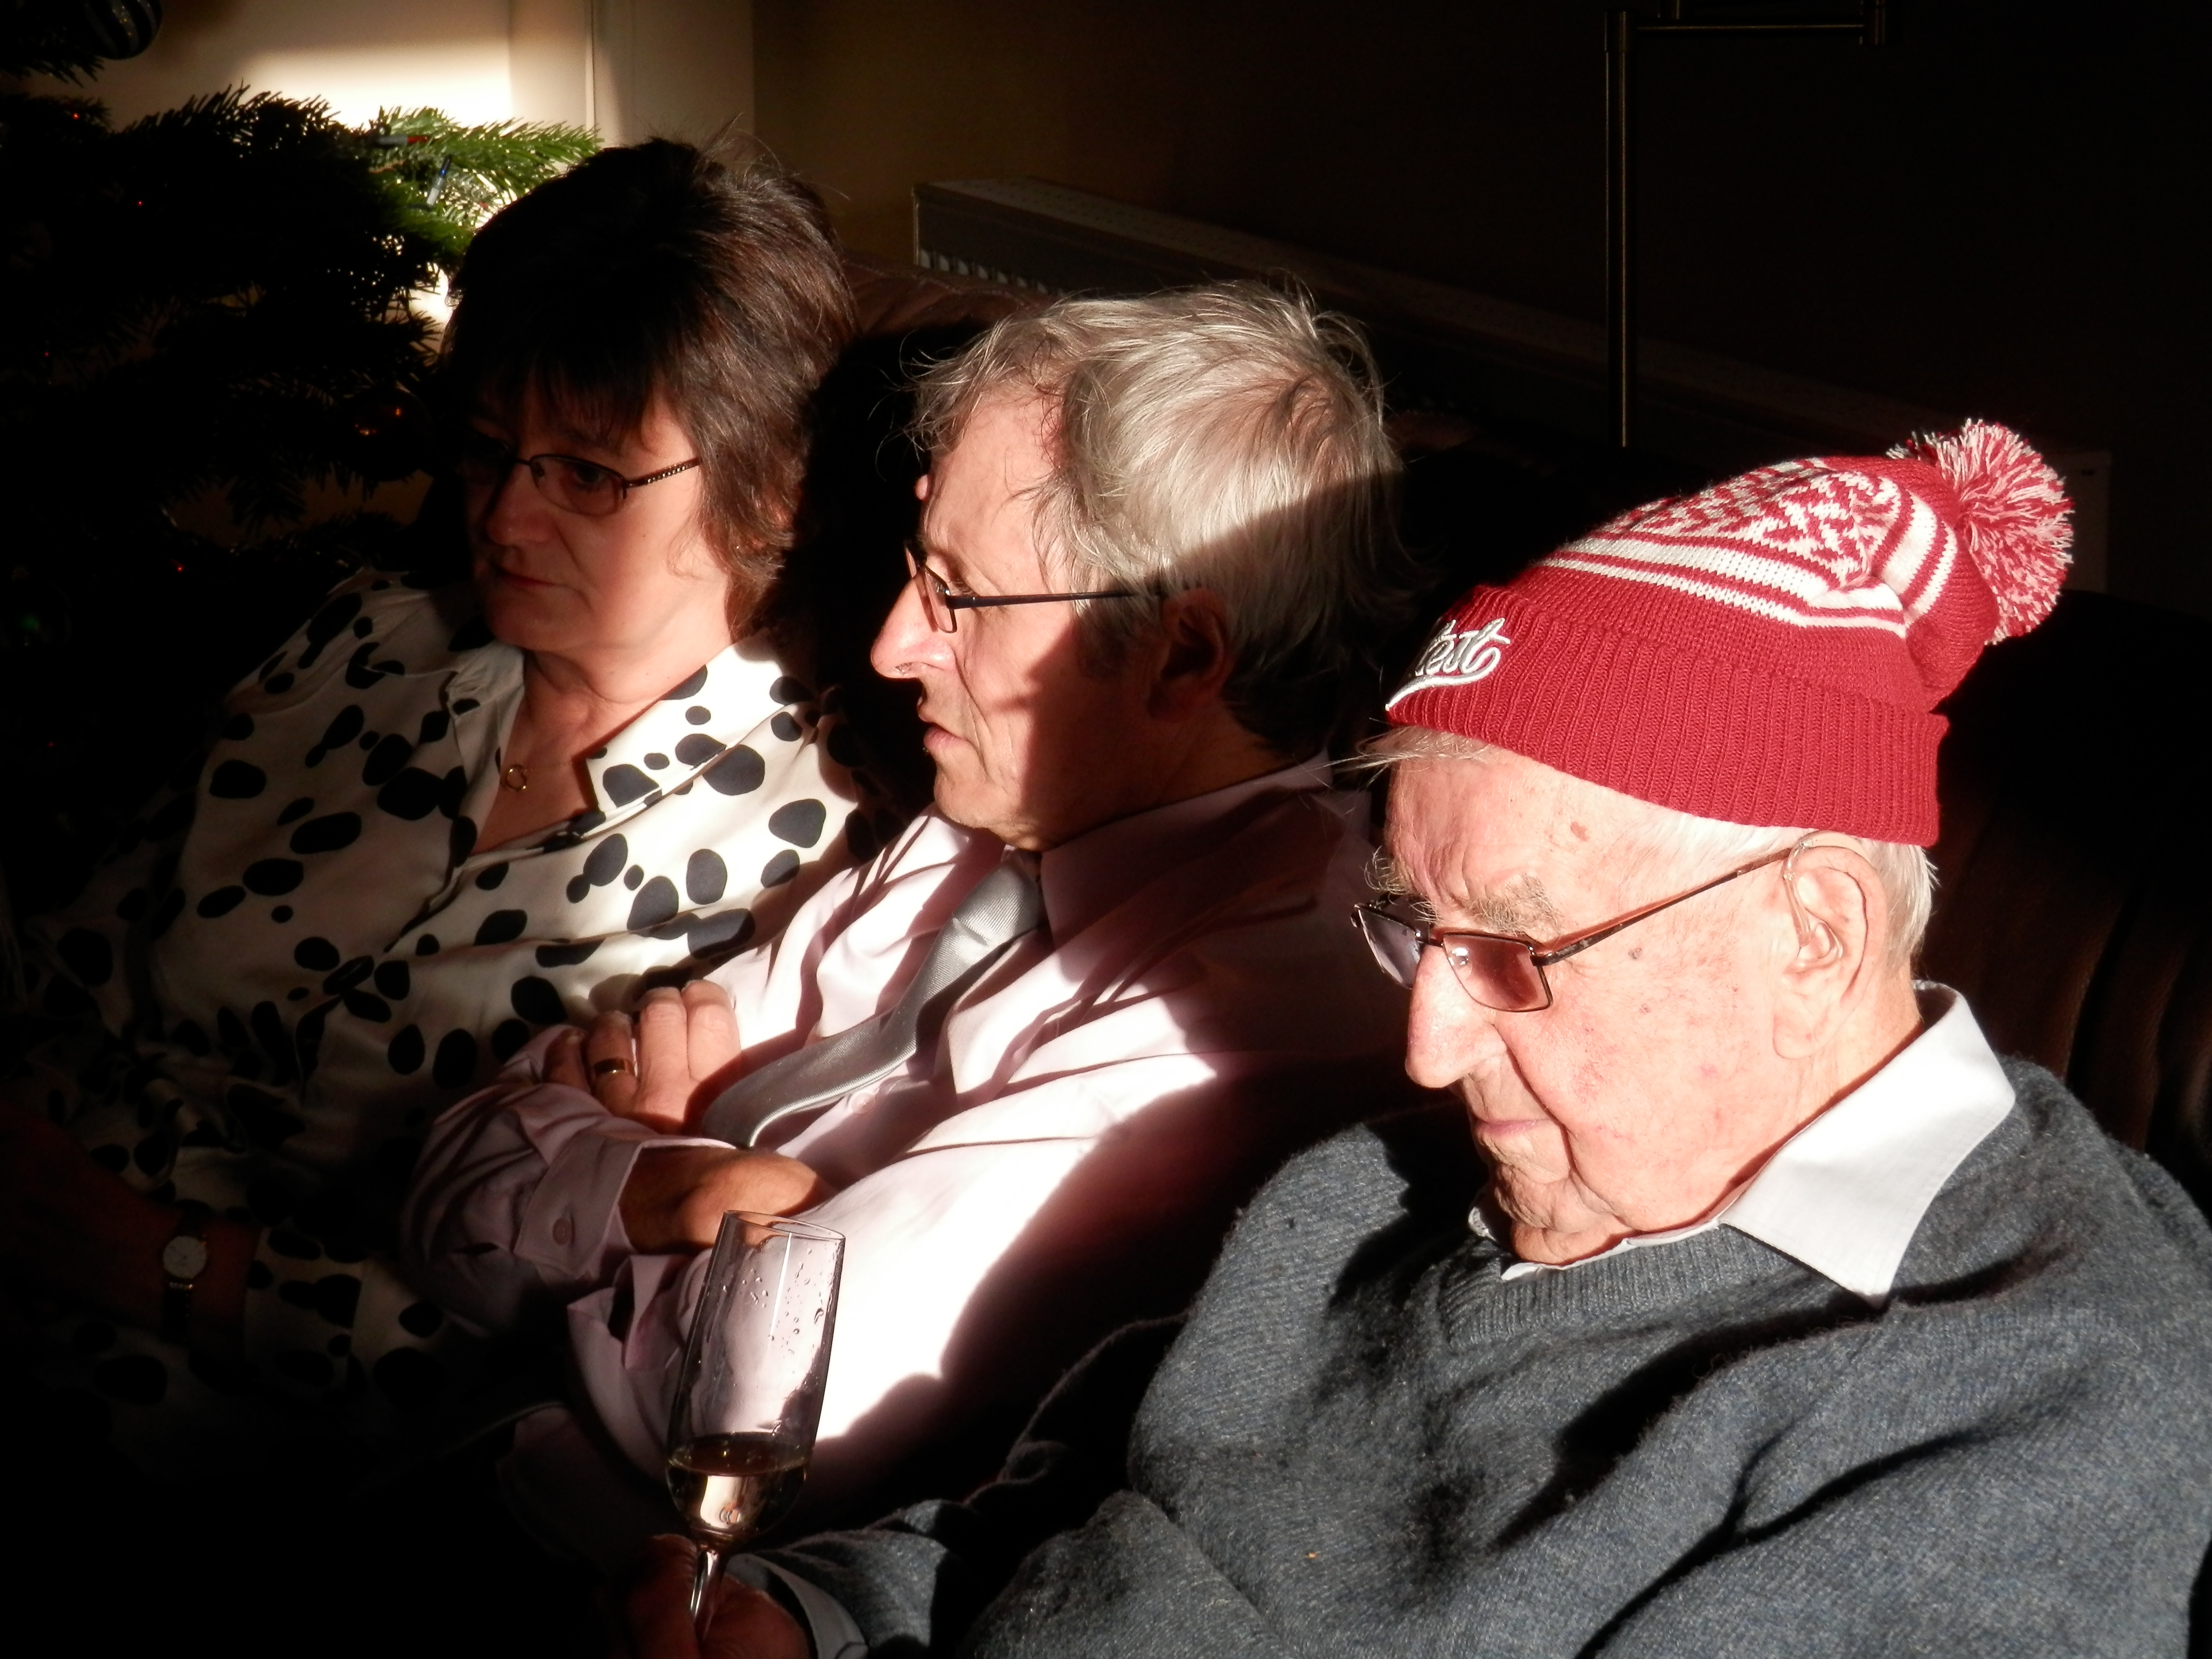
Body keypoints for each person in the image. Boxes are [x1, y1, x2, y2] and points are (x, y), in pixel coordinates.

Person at [635, 422, 2212, 1657]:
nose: (1430, 1050)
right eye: (1416, 932)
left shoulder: (2029, 1411)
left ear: (1813, 933)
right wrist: (817, 1619)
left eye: (1518, 956)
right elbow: (1055, 1527)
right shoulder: (1380, 1192)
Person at [403, 283, 1423, 1551]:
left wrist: (606, 1164)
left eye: (957, 597)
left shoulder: (1256, 1005)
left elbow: (743, 1405)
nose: (891, 648)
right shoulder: (982, 821)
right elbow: (452, 1160)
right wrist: (691, 1187)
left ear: (1180, 656)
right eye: (913, 570)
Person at [0, 139, 874, 1471]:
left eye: (588, 473)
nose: (504, 519)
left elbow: (594, 1335)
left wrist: (152, 1261)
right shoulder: (365, 646)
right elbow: (77, 970)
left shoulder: (814, 843)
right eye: (486, 450)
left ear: (769, 492)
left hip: (253, 1428)